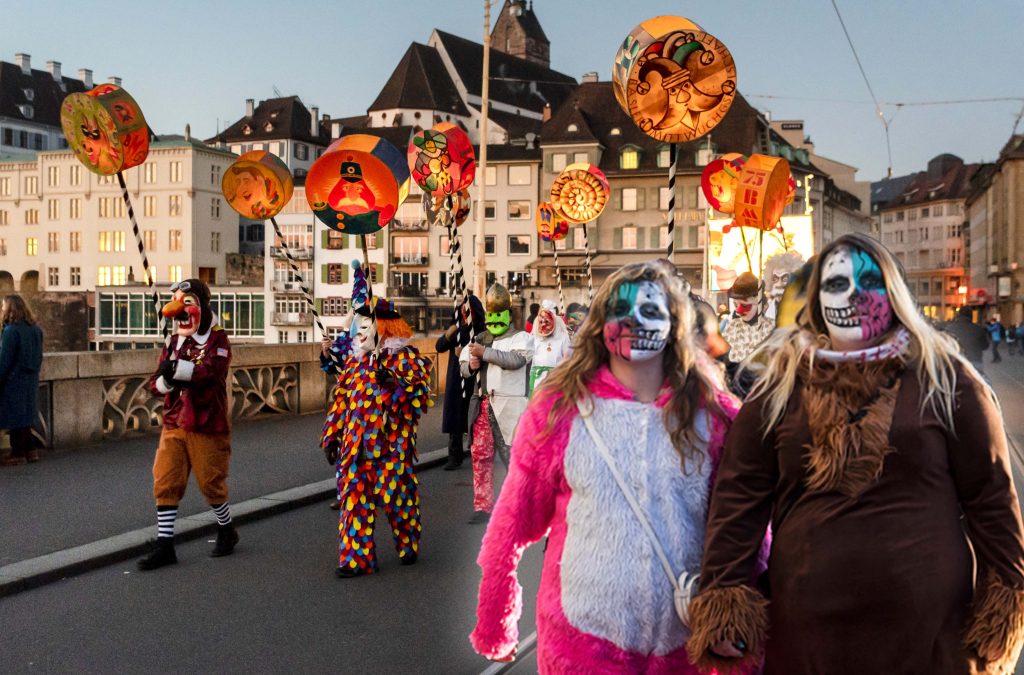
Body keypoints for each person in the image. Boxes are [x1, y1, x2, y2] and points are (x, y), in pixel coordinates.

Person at [687, 233, 1024, 674]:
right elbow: (739, 499)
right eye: (835, 284)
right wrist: (724, 595)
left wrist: (1004, 602)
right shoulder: (780, 386)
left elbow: (992, 498)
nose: (853, 295)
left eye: (869, 282)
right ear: (816, 301)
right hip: (808, 635)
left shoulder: (947, 379)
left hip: (929, 637)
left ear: (894, 292)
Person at [470, 260, 745, 672]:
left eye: (651, 311)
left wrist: (741, 628)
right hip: (582, 646)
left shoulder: (716, 417)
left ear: (675, 324)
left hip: (687, 650)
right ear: (601, 323)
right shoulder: (559, 411)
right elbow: (510, 526)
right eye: (623, 311)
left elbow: (748, 532)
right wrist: (495, 622)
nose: (636, 322)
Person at [321, 262, 431, 578]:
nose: (358, 330)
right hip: (356, 450)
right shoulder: (355, 366)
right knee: (354, 501)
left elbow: (419, 393)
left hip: (391, 448)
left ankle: (408, 540)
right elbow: (341, 402)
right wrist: (332, 435)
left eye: (366, 322)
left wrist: (394, 383)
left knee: (397, 497)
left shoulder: (403, 356)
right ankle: (357, 559)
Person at [138, 279, 237, 570]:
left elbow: (212, 372)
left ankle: (226, 529)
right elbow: (154, 383)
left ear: (202, 306)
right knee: (166, 480)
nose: (181, 309)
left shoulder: (218, 339)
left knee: (210, 482)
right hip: (174, 420)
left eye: (188, 302)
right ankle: (165, 544)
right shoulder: (174, 341)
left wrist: (179, 369)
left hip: (206, 422)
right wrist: (166, 379)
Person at [460, 283, 534, 521]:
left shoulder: (522, 338)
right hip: (483, 406)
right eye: (490, 315)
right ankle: (483, 505)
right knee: (481, 456)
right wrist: (469, 367)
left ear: (509, 314)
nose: (493, 319)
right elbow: (464, 367)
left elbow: (515, 360)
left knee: (513, 458)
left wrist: (485, 354)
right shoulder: (479, 338)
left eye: (497, 314)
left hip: (510, 409)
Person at [435, 294, 486, 470]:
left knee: (475, 417)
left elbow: (485, 352)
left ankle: (479, 452)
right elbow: (439, 347)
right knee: (454, 418)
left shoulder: (480, 331)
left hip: (474, 378)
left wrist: (465, 353)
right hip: (455, 379)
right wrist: (448, 336)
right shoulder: (455, 329)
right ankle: (454, 456)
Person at [0, 295, 44, 466]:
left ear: (11, 309)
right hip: (30, 379)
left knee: (14, 417)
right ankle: (31, 450)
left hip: (14, 380)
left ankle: (17, 453)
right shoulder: (36, 330)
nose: (2, 310)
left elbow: (4, 361)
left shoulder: (12, 331)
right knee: (24, 416)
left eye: (3, 306)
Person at [527, 300, 571, 395]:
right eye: (541, 321)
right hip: (537, 380)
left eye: (546, 321)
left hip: (556, 380)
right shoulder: (535, 337)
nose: (543, 323)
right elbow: (531, 360)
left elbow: (568, 360)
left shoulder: (563, 337)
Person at [941, 306, 989, 374]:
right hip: (974, 360)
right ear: (971, 316)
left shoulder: (949, 328)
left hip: (955, 362)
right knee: (977, 382)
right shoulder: (978, 329)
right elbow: (985, 346)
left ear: (958, 315)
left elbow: (944, 346)